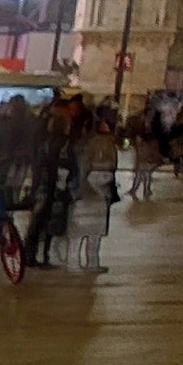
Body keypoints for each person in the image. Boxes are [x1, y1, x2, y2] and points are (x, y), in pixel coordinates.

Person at [67, 106, 120, 273]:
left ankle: (92, 262)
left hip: (101, 190)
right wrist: (83, 185)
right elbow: (83, 165)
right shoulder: (90, 143)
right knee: (80, 229)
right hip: (89, 189)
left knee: (95, 230)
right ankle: (73, 262)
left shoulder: (108, 142)